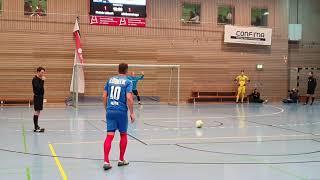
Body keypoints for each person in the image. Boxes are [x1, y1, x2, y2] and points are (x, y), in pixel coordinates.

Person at [102, 63, 135, 171]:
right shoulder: (128, 81)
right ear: (126, 71)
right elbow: (129, 98)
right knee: (123, 135)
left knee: (109, 136)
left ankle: (106, 161)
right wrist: (132, 112)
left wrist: (107, 108)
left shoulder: (110, 80)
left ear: (118, 70)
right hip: (121, 111)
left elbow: (104, 96)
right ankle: (121, 160)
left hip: (110, 110)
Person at [32, 67, 46, 133]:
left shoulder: (39, 79)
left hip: (40, 97)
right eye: (42, 72)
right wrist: (42, 81)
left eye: (43, 72)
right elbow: (38, 88)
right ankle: (35, 128)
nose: (43, 73)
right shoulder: (35, 79)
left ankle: (37, 126)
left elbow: (41, 89)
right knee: (36, 111)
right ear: (38, 72)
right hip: (37, 97)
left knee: (38, 111)